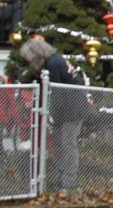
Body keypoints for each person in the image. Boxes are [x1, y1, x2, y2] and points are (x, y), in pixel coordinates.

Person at [21, 36, 88, 190]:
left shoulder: (53, 64)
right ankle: (61, 179)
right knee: (59, 145)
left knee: (67, 144)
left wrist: (50, 115)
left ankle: (68, 183)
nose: (31, 63)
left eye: (31, 59)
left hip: (72, 110)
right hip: (65, 109)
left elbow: (55, 93)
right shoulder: (54, 61)